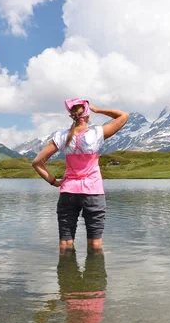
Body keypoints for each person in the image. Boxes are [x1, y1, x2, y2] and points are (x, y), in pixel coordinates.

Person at [32, 98, 129, 253]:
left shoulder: (61, 137)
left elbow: (37, 162)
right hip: (93, 192)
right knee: (96, 244)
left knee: (65, 242)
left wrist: (54, 182)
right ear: (87, 115)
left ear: (72, 115)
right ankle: (94, 274)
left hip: (68, 192)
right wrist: (97, 109)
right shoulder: (97, 133)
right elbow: (123, 116)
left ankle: (67, 276)